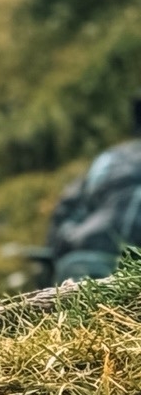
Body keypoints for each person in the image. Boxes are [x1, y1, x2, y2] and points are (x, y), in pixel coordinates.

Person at [35, 99, 141, 285]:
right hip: (126, 268)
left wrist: (62, 246)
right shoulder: (109, 159)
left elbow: (66, 209)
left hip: (84, 255)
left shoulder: (109, 159)